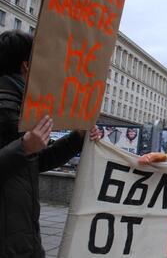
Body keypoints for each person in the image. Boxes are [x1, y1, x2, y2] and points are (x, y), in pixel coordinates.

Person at [0, 30, 100, 258]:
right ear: (27, 66)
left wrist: (77, 137)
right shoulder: (9, 106)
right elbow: (24, 154)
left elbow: (35, 161)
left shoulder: (21, 106)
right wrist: (23, 147)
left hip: (22, 235)